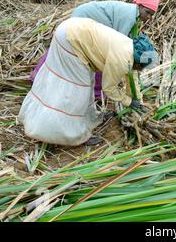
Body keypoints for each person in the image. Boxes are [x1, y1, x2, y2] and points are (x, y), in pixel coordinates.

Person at [18, 17, 157, 146]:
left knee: (86, 85)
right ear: (139, 62)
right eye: (142, 67)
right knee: (78, 90)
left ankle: (85, 120)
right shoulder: (121, 60)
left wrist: (138, 99)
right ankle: (74, 135)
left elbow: (132, 78)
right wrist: (129, 102)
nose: (141, 70)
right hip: (71, 40)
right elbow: (109, 88)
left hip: (72, 29)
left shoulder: (130, 50)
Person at [30, 0, 159, 100]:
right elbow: (119, 46)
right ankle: (96, 93)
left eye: (151, 15)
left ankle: (40, 75)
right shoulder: (129, 15)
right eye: (147, 12)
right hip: (82, 21)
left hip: (84, 23)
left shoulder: (134, 16)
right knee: (90, 54)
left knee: (66, 47)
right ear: (140, 6)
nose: (149, 17)